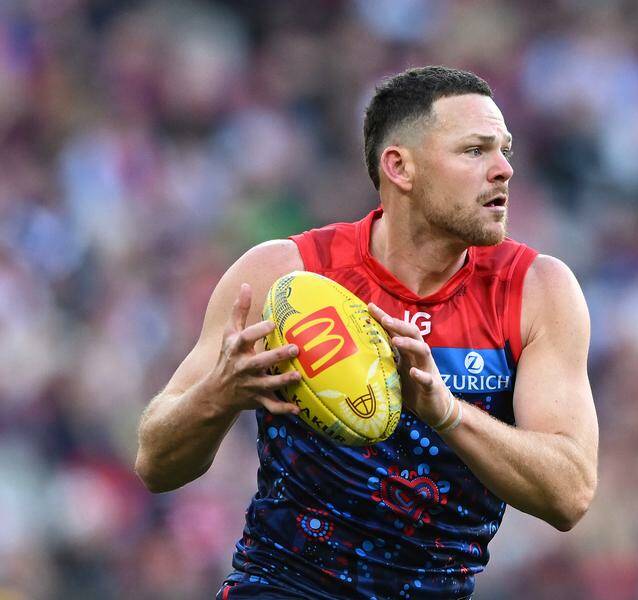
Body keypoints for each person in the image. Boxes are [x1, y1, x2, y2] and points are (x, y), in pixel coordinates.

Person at [135, 65, 598, 599]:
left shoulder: (537, 290)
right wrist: (217, 396)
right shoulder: (285, 274)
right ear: (400, 167)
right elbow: (154, 462)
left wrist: (444, 410)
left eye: (505, 150)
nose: (503, 170)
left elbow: (570, 492)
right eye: (475, 151)